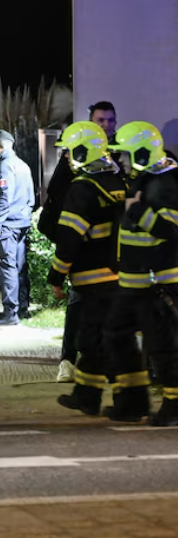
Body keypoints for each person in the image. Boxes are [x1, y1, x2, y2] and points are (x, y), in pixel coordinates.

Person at [48, 121, 130, 418]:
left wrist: (56, 275)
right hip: (121, 277)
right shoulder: (117, 184)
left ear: (83, 151)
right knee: (104, 339)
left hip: (94, 280)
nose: (67, 157)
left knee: (95, 340)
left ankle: (119, 399)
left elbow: (69, 238)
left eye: (70, 152)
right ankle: (90, 396)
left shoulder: (82, 189)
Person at [40, 101, 118, 381]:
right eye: (101, 120)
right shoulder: (76, 155)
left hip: (110, 248)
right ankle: (68, 361)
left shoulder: (120, 153)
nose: (106, 125)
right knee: (78, 303)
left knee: (105, 313)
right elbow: (57, 193)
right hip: (81, 242)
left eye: (110, 120)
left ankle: (95, 370)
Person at [107, 121, 178, 425]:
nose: (122, 160)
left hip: (157, 281)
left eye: (126, 154)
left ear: (142, 153)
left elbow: (171, 229)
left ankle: (174, 407)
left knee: (163, 346)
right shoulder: (145, 177)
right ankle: (133, 399)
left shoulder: (167, 183)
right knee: (115, 335)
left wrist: (138, 212)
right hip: (134, 280)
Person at [0, 130, 35, 325]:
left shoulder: (5, 167)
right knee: (19, 267)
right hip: (21, 223)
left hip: (7, 225)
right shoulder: (23, 165)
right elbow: (31, 197)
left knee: (6, 267)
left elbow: (4, 198)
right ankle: (22, 308)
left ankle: (10, 313)